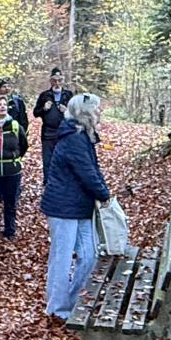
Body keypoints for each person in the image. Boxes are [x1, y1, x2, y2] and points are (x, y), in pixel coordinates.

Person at [40, 94, 111, 321]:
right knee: (61, 259)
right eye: (96, 108)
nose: (99, 112)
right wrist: (104, 195)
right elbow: (87, 173)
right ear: (85, 112)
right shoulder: (73, 138)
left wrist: (103, 191)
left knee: (89, 256)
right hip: (62, 208)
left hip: (81, 206)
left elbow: (93, 169)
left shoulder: (83, 135)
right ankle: (57, 308)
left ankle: (72, 301)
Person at [0, 96, 26, 242]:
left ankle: (10, 231)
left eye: (4, 104)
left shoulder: (15, 125)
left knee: (10, 203)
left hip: (12, 171)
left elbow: (23, 145)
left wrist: (14, 158)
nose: (3, 107)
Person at [34, 67, 74, 175]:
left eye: (59, 80)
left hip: (65, 132)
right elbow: (35, 113)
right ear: (50, 81)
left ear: (63, 81)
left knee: (64, 159)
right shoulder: (44, 95)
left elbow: (76, 115)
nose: (57, 83)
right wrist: (44, 109)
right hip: (48, 133)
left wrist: (67, 111)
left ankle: (63, 182)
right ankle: (48, 182)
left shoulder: (69, 95)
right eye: (54, 80)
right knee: (48, 160)